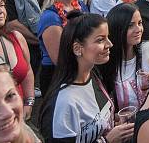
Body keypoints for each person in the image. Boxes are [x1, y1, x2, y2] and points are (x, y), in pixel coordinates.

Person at [39, 12, 133, 143]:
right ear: (77, 48)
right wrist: (107, 141)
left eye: (108, 37)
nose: (110, 44)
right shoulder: (63, 103)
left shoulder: (93, 75)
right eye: (100, 40)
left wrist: (112, 120)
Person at [37, 0, 89, 97]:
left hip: (82, 67)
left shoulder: (80, 5)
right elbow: (60, 59)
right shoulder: (50, 17)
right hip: (58, 76)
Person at [101, 3, 149, 111]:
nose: (138, 29)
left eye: (140, 23)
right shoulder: (105, 63)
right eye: (130, 25)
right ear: (118, 28)